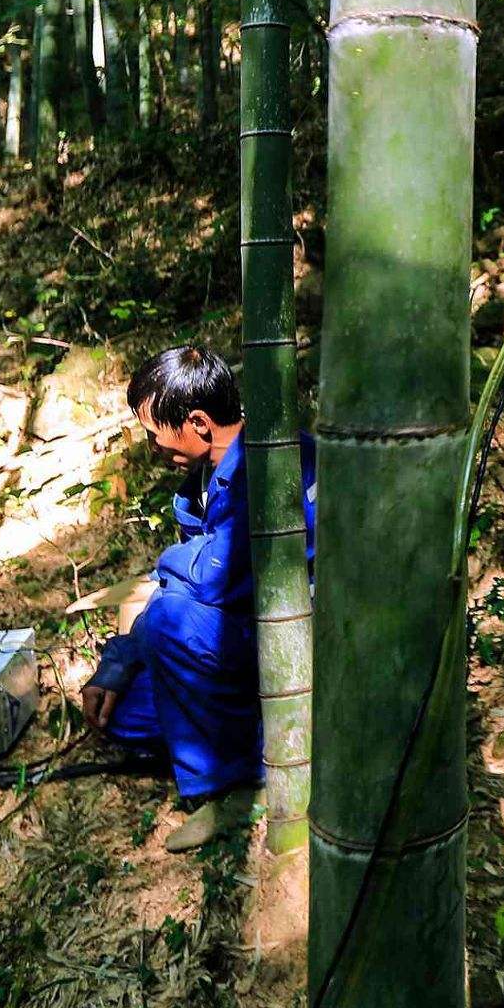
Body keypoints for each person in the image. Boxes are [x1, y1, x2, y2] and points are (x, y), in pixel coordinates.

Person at [82, 346, 311, 852]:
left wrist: (171, 564)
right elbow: (187, 584)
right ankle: (260, 737)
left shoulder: (273, 461)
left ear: (199, 423)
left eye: (154, 433)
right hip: (239, 643)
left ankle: (234, 786)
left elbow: (210, 579)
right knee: (125, 714)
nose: (152, 446)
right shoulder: (203, 478)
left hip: (299, 645)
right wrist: (117, 664)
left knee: (170, 620)